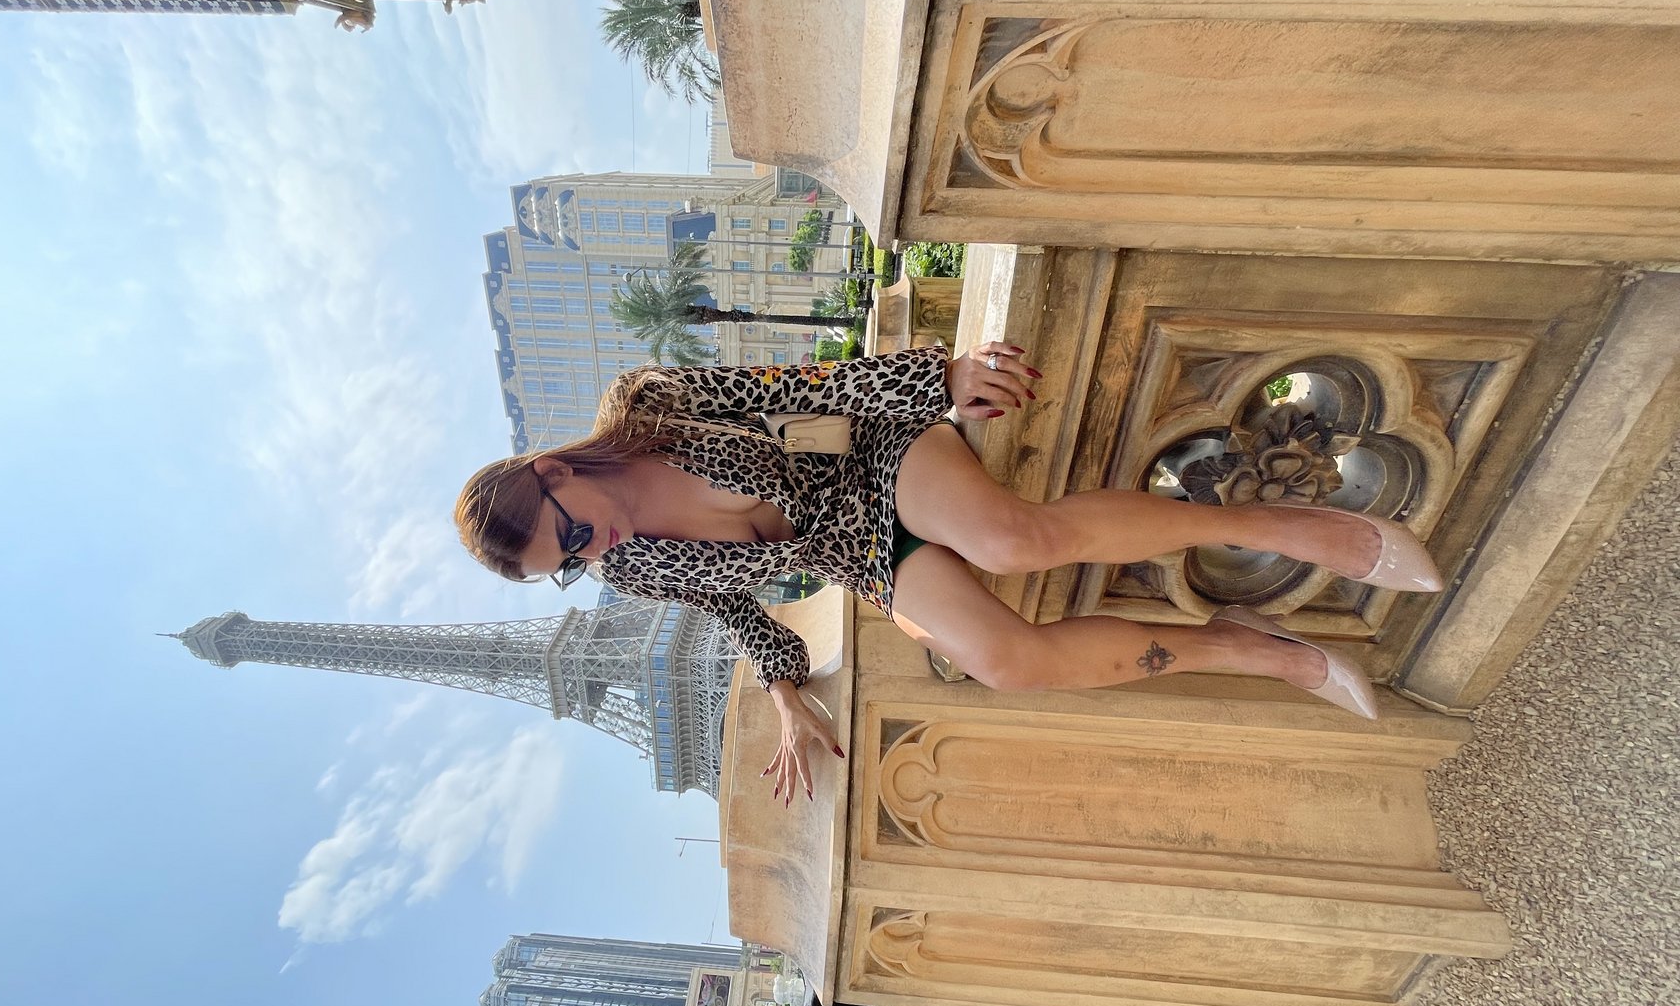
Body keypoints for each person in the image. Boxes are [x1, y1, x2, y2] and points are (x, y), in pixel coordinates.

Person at [453, 345, 1442, 807]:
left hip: (870, 459)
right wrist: (787, 695)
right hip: (855, 551)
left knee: (1012, 540)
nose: (588, 553)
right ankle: (1251, 651)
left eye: (569, 533)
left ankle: (1287, 524)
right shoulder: (635, 565)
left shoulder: (655, 406)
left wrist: (939, 380)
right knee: (1005, 661)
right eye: (566, 566)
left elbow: (804, 392)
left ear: (553, 473)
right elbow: (734, 611)